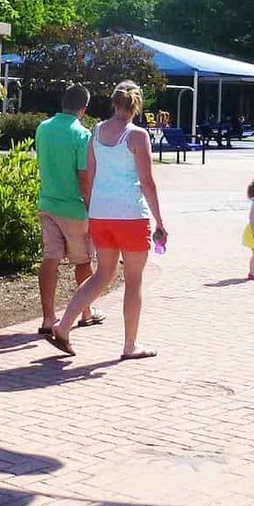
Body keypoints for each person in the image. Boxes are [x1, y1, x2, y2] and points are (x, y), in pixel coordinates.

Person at [47, 81, 167, 359]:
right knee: (134, 280)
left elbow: (89, 174)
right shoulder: (137, 136)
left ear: (113, 102)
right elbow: (147, 182)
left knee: (103, 273)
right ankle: (129, 345)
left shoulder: (96, 132)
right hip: (130, 216)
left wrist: (92, 208)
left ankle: (64, 326)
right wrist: (159, 220)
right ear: (137, 105)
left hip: (101, 214)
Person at [34, 84, 103, 338]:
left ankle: (48, 316)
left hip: (48, 202)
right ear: (84, 108)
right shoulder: (82, 135)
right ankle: (85, 311)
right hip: (73, 207)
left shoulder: (43, 128)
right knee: (83, 260)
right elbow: (84, 177)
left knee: (50, 258)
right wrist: (91, 207)